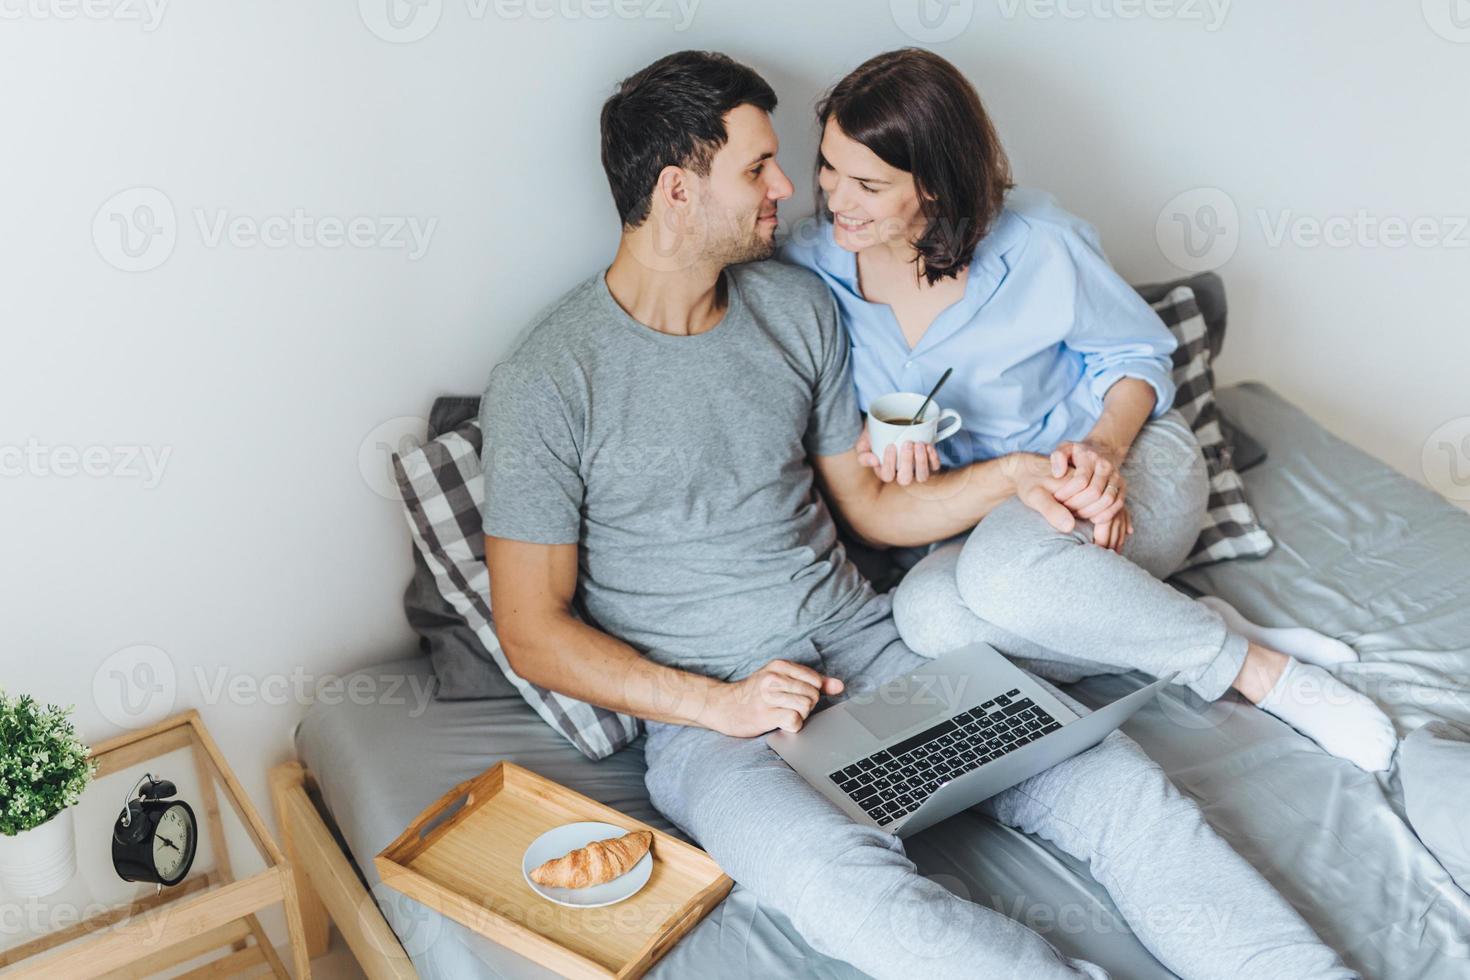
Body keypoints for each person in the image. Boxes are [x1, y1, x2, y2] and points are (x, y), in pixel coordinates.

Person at [481, 49, 1356, 980]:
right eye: (758, 168)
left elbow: (874, 509)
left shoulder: (794, 306)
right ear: (676, 189)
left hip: (867, 650)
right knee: (849, 895)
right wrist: (720, 704)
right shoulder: (549, 379)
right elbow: (532, 630)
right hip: (708, 722)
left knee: (1116, 790)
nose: (791, 187)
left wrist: (1020, 475)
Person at [778, 47, 1397, 773]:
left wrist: (1103, 450)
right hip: (987, 514)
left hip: (1123, 465)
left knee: (1004, 578)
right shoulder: (809, 270)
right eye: (827, 167)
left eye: (867, 184)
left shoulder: (1040, 241)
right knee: (926, 616)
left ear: (935, 188)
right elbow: (838, 415)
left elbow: (1136, 359)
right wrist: (877, 437)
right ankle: (1169, 620)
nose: (833, 197)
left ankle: (1264, 674)